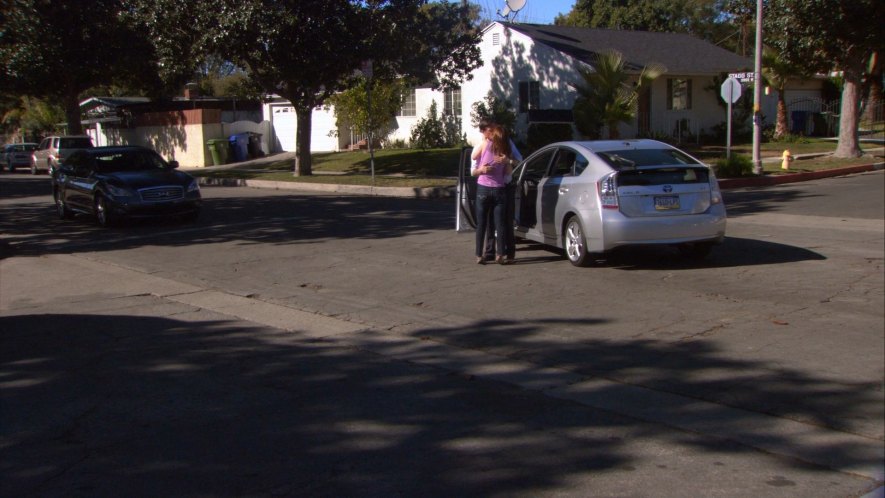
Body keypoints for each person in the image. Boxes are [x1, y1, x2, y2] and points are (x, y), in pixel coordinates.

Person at [472, 120, 522, 262]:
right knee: (498, 223)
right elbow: (508, 173)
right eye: (488, 130)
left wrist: (506, 162)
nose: (490, 133)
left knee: (487, 223)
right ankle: (498, 253)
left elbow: (473, 157)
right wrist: (506, 163)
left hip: (487, 187)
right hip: (499, 188)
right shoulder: (503, 150)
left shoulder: (487, 144)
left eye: (491, 130)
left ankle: (480, 254)